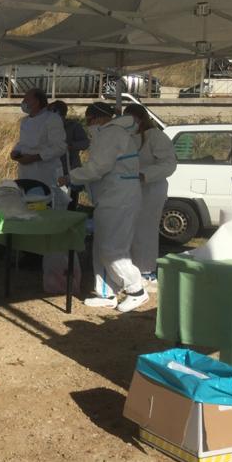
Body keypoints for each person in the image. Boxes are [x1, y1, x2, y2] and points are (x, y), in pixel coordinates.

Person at [59, 101, 148, 313]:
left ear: (98, 118)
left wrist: (70, 177)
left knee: (113, 249)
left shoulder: (111, 134)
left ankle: (136, 290)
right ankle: (106, 293)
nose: (88, 124)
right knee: (102, 247)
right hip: (112, 197)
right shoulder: (111, 134)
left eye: (89, 119)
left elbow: (98, 167)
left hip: (119, 199)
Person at [125, 103, 177, 283]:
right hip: (130, 189)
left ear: (140, 119)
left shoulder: (156, 136)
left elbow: (169, 164)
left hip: (152, 189)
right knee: (131, 229)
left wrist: (144, 174)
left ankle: (146, 270)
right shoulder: (128, 136)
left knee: (145, 230)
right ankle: (131, 268)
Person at [11, 87, 67, 207]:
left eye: (26, 99)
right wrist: (15, 152)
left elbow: (59, 147)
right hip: (25, 172)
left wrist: (35, 158)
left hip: (45, 172)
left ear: (36, 101)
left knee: (46, 203)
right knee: (27, 201)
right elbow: (23, 143)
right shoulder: (25, 121)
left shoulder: (52, 119)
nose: (23, 102)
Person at [48, 99, 90, 206]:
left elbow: (85, 143)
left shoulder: (74, 126)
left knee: (71, 201)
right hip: (51, 168)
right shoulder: (46, 127)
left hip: (70, 168)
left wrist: (70, 146)